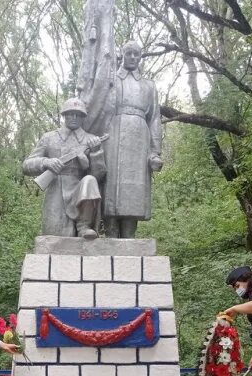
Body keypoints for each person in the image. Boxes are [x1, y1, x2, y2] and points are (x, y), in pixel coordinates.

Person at [102, 40, 163, 239]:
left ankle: (130, 239)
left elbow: (154, 119)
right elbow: (99, 109)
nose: (133, 58)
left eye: (137, 54)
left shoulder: (149, 86)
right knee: (110, 186)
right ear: (122, 54)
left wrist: (155, 151)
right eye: (129, 53)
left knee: (134, 190)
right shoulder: (111, 80)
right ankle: (110, 235)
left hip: (139, 138)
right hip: (113, 134)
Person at [22, 97, 106, 239]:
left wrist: (96, 152)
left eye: (78, 115)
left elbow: (99, 175)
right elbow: (26, 165)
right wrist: (45, 162)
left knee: (90, 180)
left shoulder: (91, 140)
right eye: (70, 114)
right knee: (53, 237)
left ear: (83, 118)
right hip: (56, 191)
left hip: (80, 190)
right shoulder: (49, 138)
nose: (74, 117)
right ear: (64, 115)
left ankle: (83, 226)